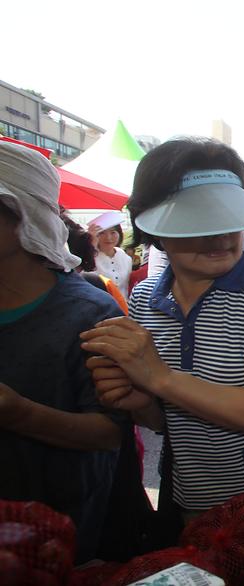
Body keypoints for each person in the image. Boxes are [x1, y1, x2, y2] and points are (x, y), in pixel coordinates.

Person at [80, 138, 244, 544]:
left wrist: (157, 378)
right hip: (189, 496)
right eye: (198, 220)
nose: (220, 236)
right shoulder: (144, 298)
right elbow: (166, 420)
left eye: (228, 217)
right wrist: (136, 400)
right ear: (153, 227)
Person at [0, 141, 124, 562]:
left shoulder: (88, 311)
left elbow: (110, 432)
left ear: (23, 217)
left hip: (59, 538)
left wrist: (19, 413)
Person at [89, 214, 133, 300]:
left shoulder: (125, 257)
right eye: (102, 233)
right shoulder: (90, 257)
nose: (108, 237)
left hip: (123, 307)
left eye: (113, 232)